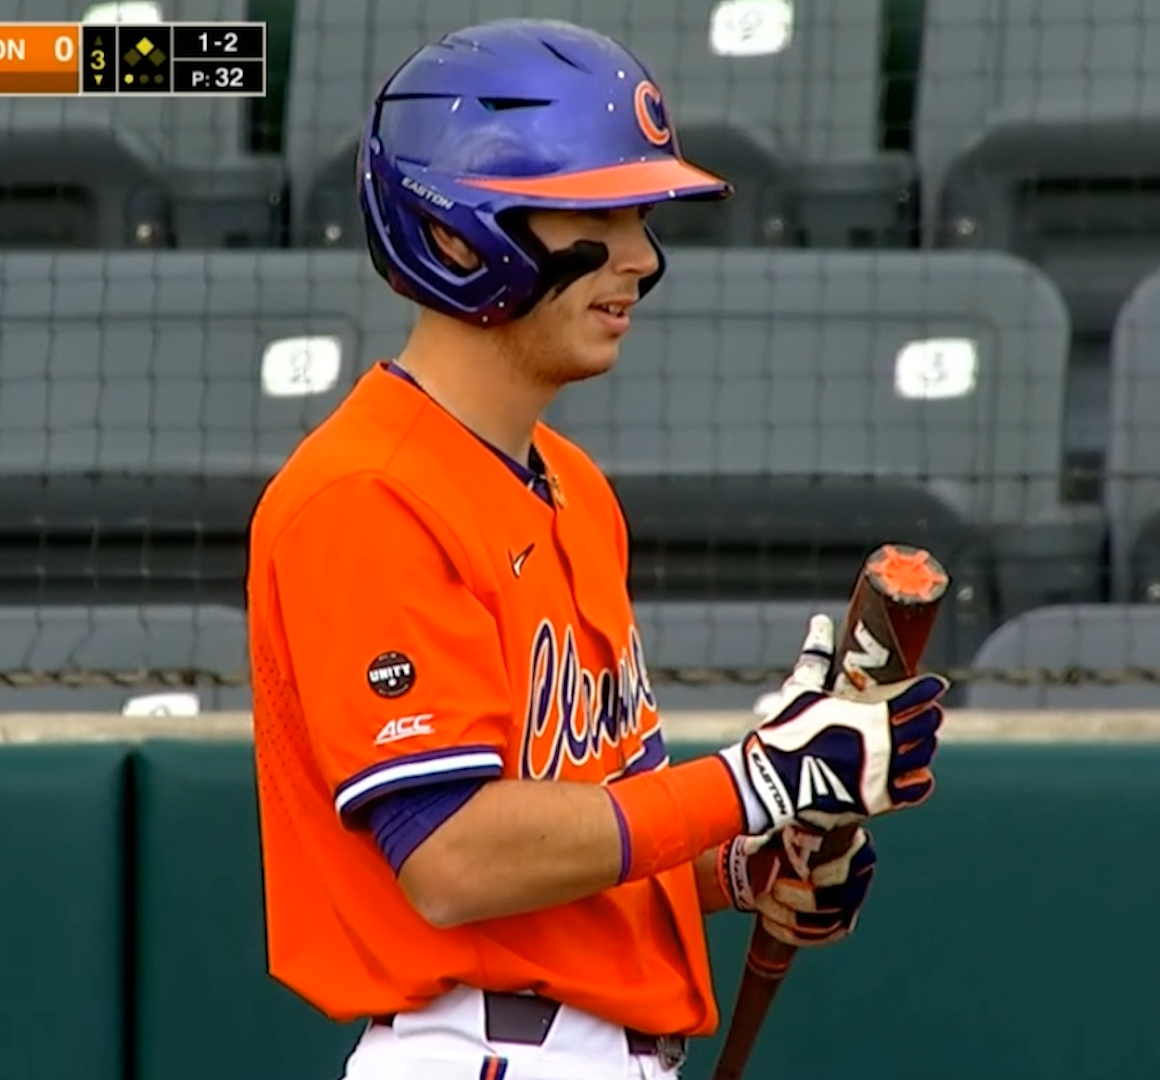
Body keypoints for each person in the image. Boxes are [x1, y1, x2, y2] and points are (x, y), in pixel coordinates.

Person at [247, 18, 951, 1080]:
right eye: (597, 213)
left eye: (640, 214)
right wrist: (756, 780)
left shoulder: (573, 487)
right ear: (455, 233)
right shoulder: (364, 493)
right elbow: (452, 859)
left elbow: (580, 821)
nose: (641, 256)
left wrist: (744, 862)